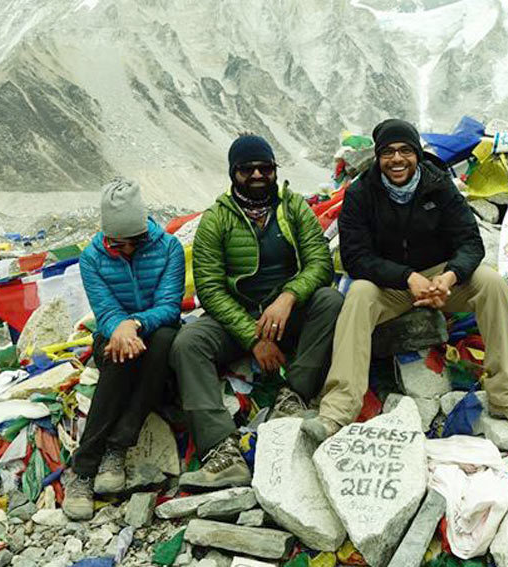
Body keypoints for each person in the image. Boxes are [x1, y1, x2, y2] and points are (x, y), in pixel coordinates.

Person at [302, 119, 508, 442]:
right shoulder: (362, 193)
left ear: (416, 154)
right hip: (390, 285)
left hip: (441, 279)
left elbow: (470, 242)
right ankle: (337, 411)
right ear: (378, 157)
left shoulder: (438, 184)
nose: (397, 159)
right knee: (359, 294)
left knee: (491, 283)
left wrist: (450, 276)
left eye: (405, 150)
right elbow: (355, 257)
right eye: (388, 152)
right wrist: (406, 278)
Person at [170, 134, 342, 489]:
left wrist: (289, 296)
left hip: (287, 313)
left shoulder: (293, 207)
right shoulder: (216, 220)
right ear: (234, 173)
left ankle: (292, 395)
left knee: (330, 301)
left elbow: (319, 263)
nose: (258, 175)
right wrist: (253, 338)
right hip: (238, 316)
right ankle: (222, 451)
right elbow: (210, 289)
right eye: (248, 169)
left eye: (266, 167)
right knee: (188, 342)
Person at [62, 178, 185, 520]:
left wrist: (135, 324)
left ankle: (118, 446)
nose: (128, 250)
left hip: (155, 330)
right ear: (107, 239)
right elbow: (104, 311)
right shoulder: (91, 258)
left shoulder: (169, 248)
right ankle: (84, 470)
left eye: (136, 242)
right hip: (113, 332)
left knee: (161, 341)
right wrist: (121, 328)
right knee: (119, 355)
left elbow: (169, 306)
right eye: (119, 245)